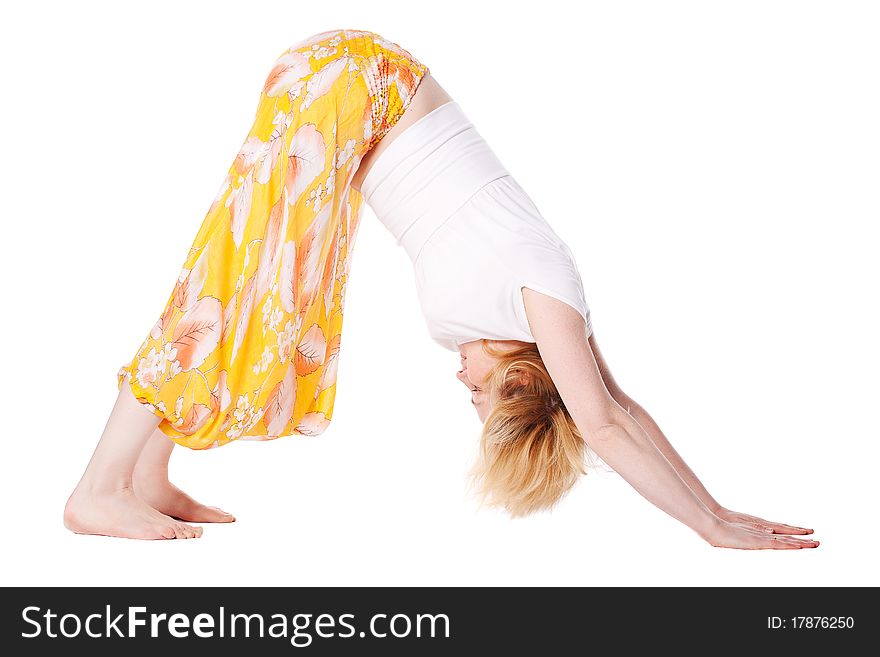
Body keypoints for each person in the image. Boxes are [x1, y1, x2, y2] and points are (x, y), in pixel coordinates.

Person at [64, 29, 818, 549]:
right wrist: (711, 529)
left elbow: (621, 408)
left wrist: (716, 506)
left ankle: (145, 471)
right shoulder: (544, 292)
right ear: (523, 378)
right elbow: (605, 423)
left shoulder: (540, 314)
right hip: (357, 84)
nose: (465, 388)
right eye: (484, 397)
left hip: (354, 97)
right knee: (228, 296)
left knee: (261, 306)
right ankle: (98, 488)